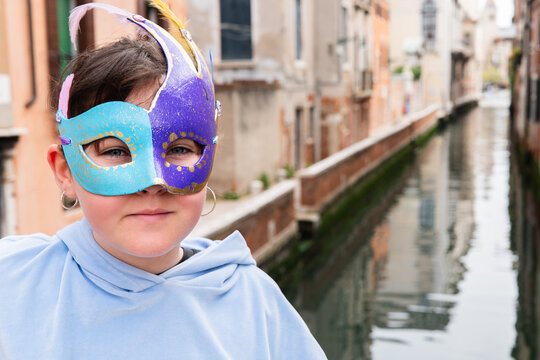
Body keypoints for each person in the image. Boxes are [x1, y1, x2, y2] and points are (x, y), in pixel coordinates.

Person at [0, 2, 327, 359]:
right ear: (65, 171)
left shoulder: (258, 306)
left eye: (179, 149)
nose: (154, 181)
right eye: (115, 151)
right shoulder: (11, 282)